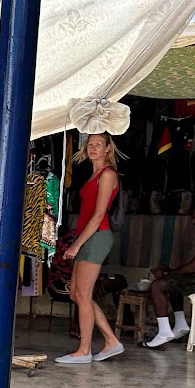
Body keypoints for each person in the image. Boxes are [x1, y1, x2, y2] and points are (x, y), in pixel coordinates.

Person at [57, 131, 125, 364]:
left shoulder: (107, 174)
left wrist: (76, 244)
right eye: (90, 144)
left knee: (83, 294)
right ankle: (111, 341)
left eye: (99, 144)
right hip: (89, 236)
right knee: (76, 293)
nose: (94, 148)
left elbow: (98, 216)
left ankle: (84, 350)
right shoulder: (94, 173)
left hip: (96, 236)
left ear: (108, 149)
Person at [144, 202, 195, 348]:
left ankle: (164, 331)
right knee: (172, 281)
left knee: (158, 285)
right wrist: (171, 272)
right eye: (192, 217)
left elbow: (193, 267)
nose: (194, 221)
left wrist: (167, 273)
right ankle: (180, 324)